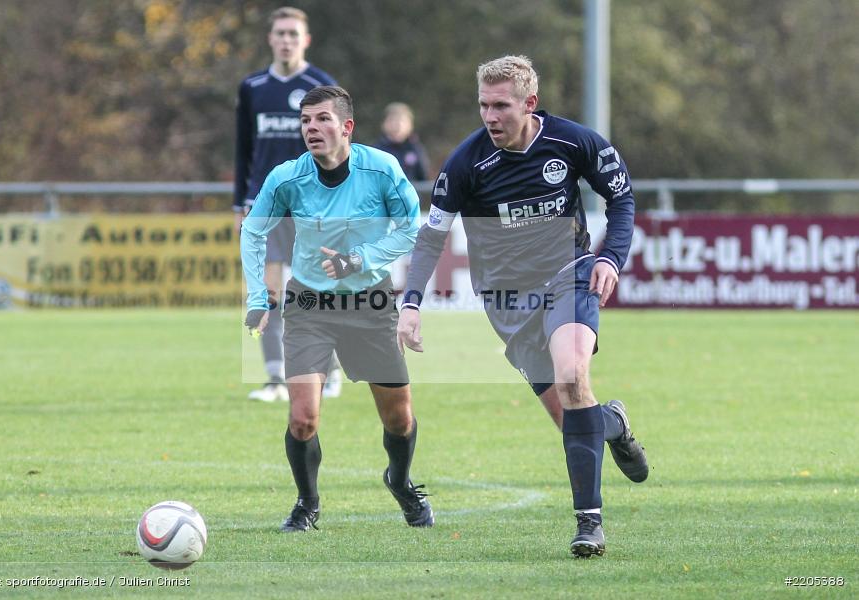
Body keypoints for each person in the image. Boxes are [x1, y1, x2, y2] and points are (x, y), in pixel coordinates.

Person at [397, 56, 648, 557]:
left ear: (529, 104)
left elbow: (621, 199)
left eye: (501, 106)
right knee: (573, 420)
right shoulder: (465, 164)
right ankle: (612, 423)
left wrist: (611, 258)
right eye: (484, 106)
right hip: (508, 300)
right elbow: (431, 238)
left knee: (572, 376)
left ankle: (589, 525)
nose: (490, 116)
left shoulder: (574, 142)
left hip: (569, 275)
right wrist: (410, 303)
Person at [241, 85, 433, 532]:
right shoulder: (286, 177)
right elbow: (253, 231)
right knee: (303, 418)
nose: (311, 128)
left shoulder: (381, 169)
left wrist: (359, 259)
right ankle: (307, 504)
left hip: (370, 304)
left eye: (322, 119)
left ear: (347, 127)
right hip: (309, 305)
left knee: (398, 418)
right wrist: (257, 298)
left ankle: (400, 480)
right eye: (305, 121)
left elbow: (411, 230)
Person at [234, 6, 341, 401]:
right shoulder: (253, 87)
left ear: (305, 40)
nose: (286, 40)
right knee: (268, 292)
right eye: (280, 33)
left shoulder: (321, 84)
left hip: (312, 205)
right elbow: (243, 148)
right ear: (270, 38)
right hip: (265, 204)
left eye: (293, 34)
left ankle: (329, 369)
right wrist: (239, 203)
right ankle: (275, 379)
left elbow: (337, 147)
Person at [374, 102, 430, 182]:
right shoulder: (376, 151)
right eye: (392, 120)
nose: (397, 125)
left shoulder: (416, 148)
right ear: (384, 124)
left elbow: (424, 178)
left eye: (402, 121)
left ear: (410, 125)